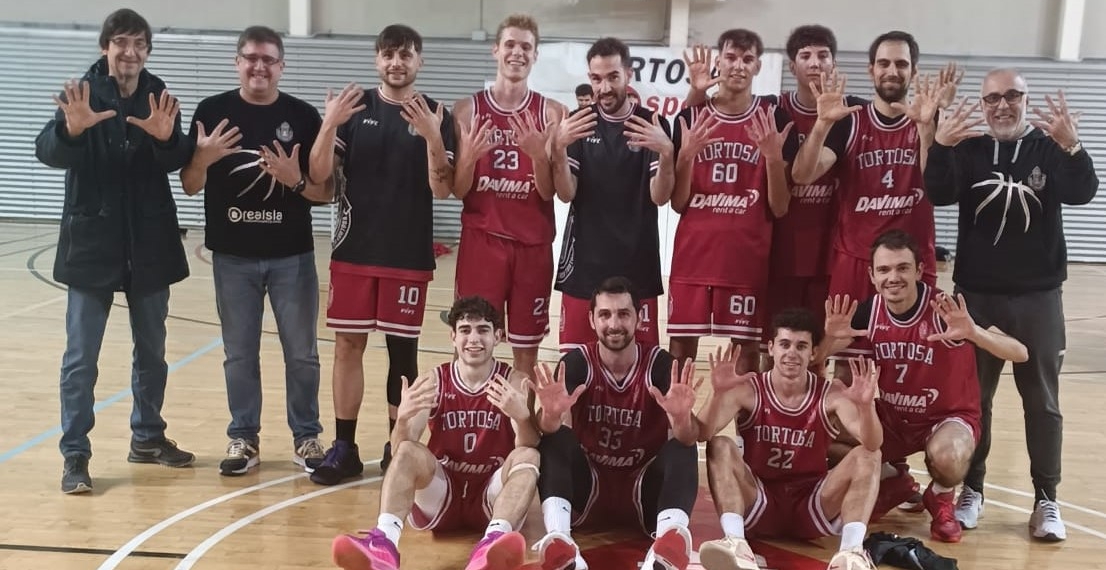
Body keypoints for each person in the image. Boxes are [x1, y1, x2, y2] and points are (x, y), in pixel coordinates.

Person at [924, 68, 1098, 541]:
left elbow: (1083, 193)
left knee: (1041, 403)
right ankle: (973, 491)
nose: (1002, 105)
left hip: (1038, 298)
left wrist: (1073, 147)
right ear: (982, 105)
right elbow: (937, 192)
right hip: (975, 298)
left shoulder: (1047, 147)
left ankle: (1047, 500)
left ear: (1026, 100)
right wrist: (938, 144)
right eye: (992, 98)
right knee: (974, 402)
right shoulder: (970, 148)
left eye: (1012, 96)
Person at [35, 8, 195, 494]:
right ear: (106, 46)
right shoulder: (80, 95)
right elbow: (47, 150)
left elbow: (179, 160)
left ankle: (147, 436)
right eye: (121, 42)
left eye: (139, 44)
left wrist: (169, 141)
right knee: (81, 358)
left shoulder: (159, 97)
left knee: (153, 353)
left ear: (147, 50)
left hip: (148, 243)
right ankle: (76, 455)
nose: (130, 52)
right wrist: (73, 130)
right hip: (92, 246)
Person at [307, 24, 456, 483]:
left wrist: (433, 136)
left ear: (419, 61)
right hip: (354, 248)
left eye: (406, 54)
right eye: (389, 54)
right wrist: (329, 122)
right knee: (347, 347)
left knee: (402, 355)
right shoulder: (353, 109)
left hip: (407, 254)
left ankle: (399, 449)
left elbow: (443, 189)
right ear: (377, 60)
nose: (397, 62)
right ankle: (344, 447)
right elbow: (317, 178)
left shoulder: (437, 113)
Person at [179, 25, 328, 477]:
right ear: (237, 61)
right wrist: (202, 158)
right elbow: (189, 184)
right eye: (251, 57)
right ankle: (243, 437)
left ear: (281, 66)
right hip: (233, 258)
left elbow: (326, 192)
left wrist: (294, 180)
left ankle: (307, 436)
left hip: (292, 257)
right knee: (239, 353)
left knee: (302, 353)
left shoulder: (302, 117)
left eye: (268, 59)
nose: (259, 66)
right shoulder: (212, 111)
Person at [821, 229, 1028, 543]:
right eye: (884, 270)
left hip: (946, 419)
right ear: (872, 275)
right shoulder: (868, 310)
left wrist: (974, 333)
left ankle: (941, 496)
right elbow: (817, 358)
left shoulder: (945, 309)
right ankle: (894, 480)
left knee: (949, 456)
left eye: (902, 268)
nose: (893, 277)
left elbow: (1020, 352)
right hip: (893, 421)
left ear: (919, 271)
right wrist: (827, 342)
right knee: (823, 431)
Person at [331, 296, 540, 570]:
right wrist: (403, 420)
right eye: (465, 330)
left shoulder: (513, 381)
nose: (473, 339)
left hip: (492, 495)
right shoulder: (434, 381)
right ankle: (384, 545)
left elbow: (528, 444)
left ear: (498, 336)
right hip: (443, 492)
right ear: (453, 337)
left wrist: (522, 417)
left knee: (529, 454)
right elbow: (399, 453)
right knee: (407, 449)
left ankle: (494, 541)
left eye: (483, 330)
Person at [791, 31, 947, 367]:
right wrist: (820, 126)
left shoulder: (931, 120)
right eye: (884, 63)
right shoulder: (849, 123)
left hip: (912, 264)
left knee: (913, 362)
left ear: (914, 72)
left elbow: (938, 187)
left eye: (902, 64)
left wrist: (925, 132)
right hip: (855, 262)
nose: (892, 70)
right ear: (871, 70)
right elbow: (802, 175)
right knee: (846, 365)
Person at [529, 276, 700, 570]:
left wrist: (682, 417)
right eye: (605, 314)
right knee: (555, 441)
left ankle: (665, 550)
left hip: (644, 489)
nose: (614, 324)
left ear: (639, 318)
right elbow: (548, 431)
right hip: (589, 486)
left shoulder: (661, 365)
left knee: (683, 447)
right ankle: (561, 542)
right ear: (592, 320)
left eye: (623, 314)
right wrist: (551, 416)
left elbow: (689, 436)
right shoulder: (576, 364)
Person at [694, 312, 883, 570]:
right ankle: (736, 543)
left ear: (813, 353)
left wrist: (865, 407)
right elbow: (703, 434)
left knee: (868, 455)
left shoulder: (832, 393)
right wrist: (717, 395)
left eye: (801, 346)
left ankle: (851, 553)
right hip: (760, 500)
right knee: (720, 445)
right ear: (771, 348)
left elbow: (873, 443)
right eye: (784, 344)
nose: (791, 353)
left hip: (812, 503)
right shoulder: (749, 388)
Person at [668, 29, 799, 372]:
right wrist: (685, 157)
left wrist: (772, 158)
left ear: (758, 67)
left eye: (747, 59)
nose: (738, 66)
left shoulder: (775, 119)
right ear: (718, 61)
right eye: (730, 57)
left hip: (746, 258)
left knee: (746, 356)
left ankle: (745, 428)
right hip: (693, 256)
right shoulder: (689, 117)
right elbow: (677, 203)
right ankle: (676, 426)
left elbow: (781, 207)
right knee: (680, 351)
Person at [451, 14, 564, 380]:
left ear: (535, 56)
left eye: (526, 47)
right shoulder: (467, 110)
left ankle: (521, 433)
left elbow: (549, 192)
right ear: (496, 49)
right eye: (511, 45)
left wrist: (537, 156)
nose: (517, 53)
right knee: (473, 345)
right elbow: (458, 189)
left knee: (526, 353)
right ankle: (475, 422)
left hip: (532, 245)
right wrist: (468, 157)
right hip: (482, 241)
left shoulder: (551, 113)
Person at [552, 37, 674, 352]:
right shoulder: (579, 123)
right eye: (596, 79)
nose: (604, 87)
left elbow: (659, 197)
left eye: (612, 77)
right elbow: (566, 194)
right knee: (574, 368)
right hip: (584, 266)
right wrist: (559, 148)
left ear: (628, 74)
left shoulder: (651, 123)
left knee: (641, 368)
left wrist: (667, 153)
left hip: (638, 264)